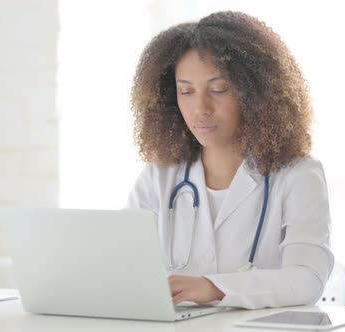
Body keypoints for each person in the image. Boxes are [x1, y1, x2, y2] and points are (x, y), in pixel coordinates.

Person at [126, 11, 334, 310]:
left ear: (255, 93)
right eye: (186, 91)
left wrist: (213, 288)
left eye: (218, 89)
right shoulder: (160, 176)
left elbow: (307, 279)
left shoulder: (299, 175)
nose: (200, 108)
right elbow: (121, 264)